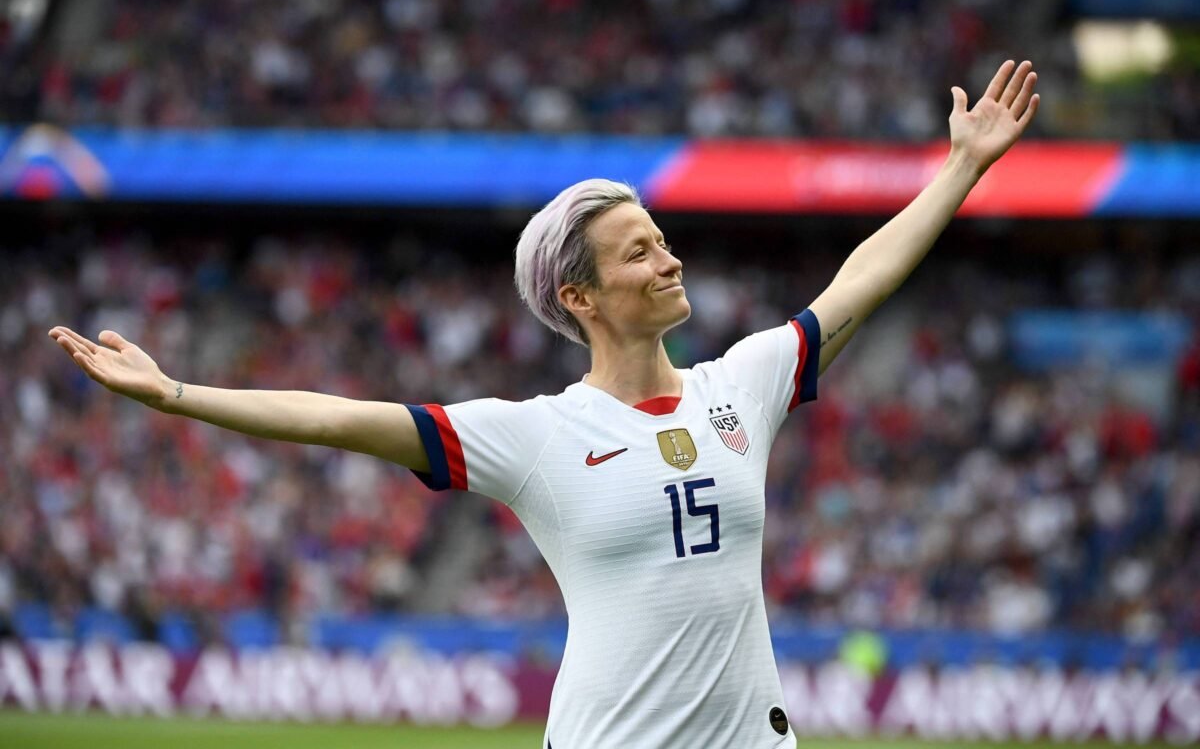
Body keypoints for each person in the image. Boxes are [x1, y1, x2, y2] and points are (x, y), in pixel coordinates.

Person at [49, 60, 1039, 748]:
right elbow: (339, 416)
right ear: (581, 295)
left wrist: (960, 168)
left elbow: (859, 281)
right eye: (640, 250)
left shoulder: (743, 383)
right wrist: (176, 393)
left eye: (663, 237)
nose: (669, 257)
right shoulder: (535, 435)